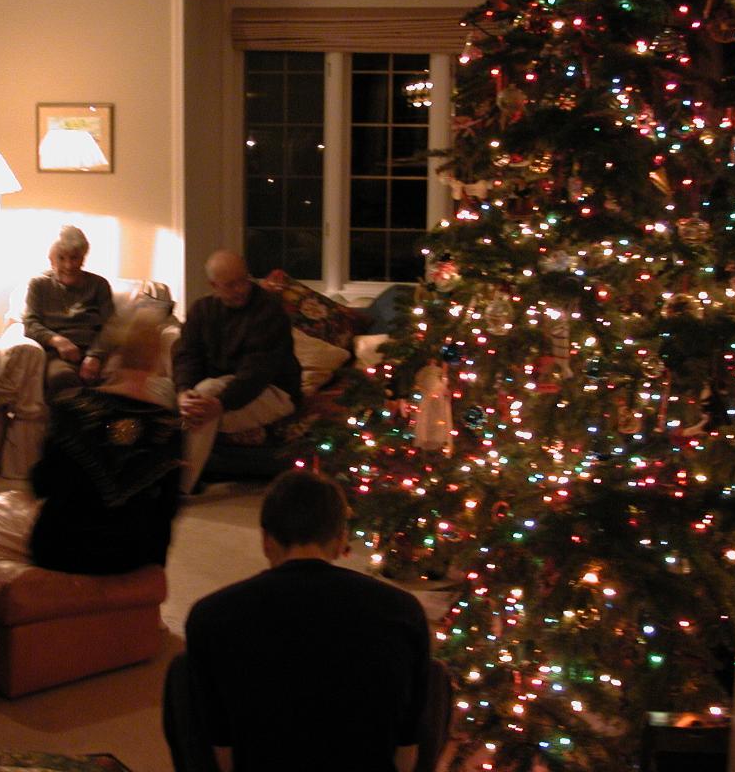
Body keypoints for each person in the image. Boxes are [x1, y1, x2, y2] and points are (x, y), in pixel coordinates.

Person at [165, 469, 446, 772]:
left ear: (266, 541)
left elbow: (224, 758)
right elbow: (406, 757)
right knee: (433, 674)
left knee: (183, 670)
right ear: (340, 541)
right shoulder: (403, 610)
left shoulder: (212, 615)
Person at [28, 308, 182, 574]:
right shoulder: (169, 426)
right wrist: (154, 572)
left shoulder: (70, 407)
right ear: (158, 362)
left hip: (60, 549)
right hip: (130, 556)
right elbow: (167, 512)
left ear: (112, 355)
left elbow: (42, 484)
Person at [172, 250, 301, 493]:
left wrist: (220, 403)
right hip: (222, 394)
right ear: (214, 285)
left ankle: (180, 487)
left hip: (274, 392)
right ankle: (175, 479)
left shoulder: (268, 310)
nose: (241, 289)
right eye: (231, 285)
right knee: (181, 397)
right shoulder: (201, 310)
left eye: (244, 280)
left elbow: (257, 373)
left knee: (204, 397)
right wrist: (182, 393)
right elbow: (187, 356)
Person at [22, 225, 114, 398]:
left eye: (75, 258)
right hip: (58, 356)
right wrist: (57, 340)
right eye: (61, 258)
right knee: (61, 378)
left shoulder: (99, 284)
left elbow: (111, 326)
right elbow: (30, 324)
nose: (69, 265)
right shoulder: (39, 284)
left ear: (83, 258)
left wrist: (95, 356)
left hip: (95, 352)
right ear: (51, 259)